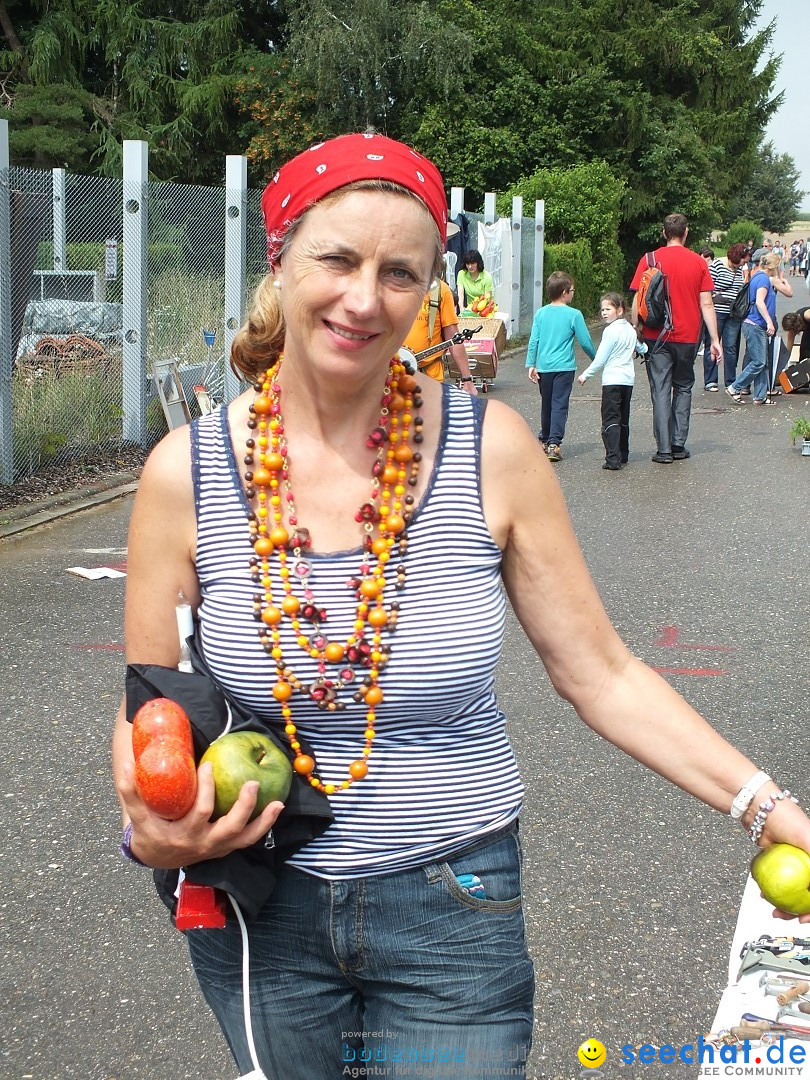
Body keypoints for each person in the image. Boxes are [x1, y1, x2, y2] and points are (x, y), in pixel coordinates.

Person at [111, 134, 810, 1080]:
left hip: (453, 902)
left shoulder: (494, 451)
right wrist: (148, 825)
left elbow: (602, 673)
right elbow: (151, 703)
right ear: (279, 260)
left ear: (430, 288)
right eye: (338, 259)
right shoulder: (183, 475)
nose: (366, 299)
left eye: (401, 272)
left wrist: (765, 805)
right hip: (259, 907)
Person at [630, 212, 720, 463]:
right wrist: (715, 340)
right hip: (688, 336)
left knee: (659, 390)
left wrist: (634, 333)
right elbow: (707, 303)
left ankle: (664, 449)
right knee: (683, 387)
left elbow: (638, 300)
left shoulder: (649, 259)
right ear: (686, 232)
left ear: (663, 232)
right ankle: (679, 444)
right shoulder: (698, 262)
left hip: (655, 336)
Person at [525, 270, 596, 461]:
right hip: (564, 367)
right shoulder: (574, 315)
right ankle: (554, 444)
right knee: (559, 405)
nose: (573, 292)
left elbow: (534, 340)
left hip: (544, 367)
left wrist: (531, 364)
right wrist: (596, 359)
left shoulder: (541, 313)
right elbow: (586, 341)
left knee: (546, 404)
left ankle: (545, 439)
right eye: (572, 289)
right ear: (565, 292)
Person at [577, 292, 646, 470]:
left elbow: (601, 359)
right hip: (628, 380)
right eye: (603, 309)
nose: (604, 313)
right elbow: (642, 347)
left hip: (612, 381)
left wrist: (585, 375)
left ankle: (612, 459)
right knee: (623, 418)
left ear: (620, 310)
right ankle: (623, 454)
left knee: (610, 419)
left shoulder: (610, 331)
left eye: (608, 309)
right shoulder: (631, 329)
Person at [726, 252, 793, 405]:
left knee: (763, 361)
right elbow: (760, 302)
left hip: (754, 324)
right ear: (774, 266)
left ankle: (760, 396)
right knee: (759, 362)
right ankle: (735, 387)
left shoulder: (756, 275)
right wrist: (769, 322)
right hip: (755, 324)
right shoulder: (763, 279)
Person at [401, 276, 478, 393]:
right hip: (394, 375)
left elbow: (453, 338)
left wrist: (467, 380)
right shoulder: (391, 286)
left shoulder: (440, 290)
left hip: (431, 376)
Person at [702, 243, 748, 392]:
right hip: (717, 311)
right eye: (743, 260)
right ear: (737, 257)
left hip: (734, 313)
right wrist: (717, 297)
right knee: (712, 344)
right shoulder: (717, 265)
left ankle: (731, 381)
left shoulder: (739, 269)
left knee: (731, 347)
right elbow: (707, 287)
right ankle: (711, 380)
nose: (744, 263)